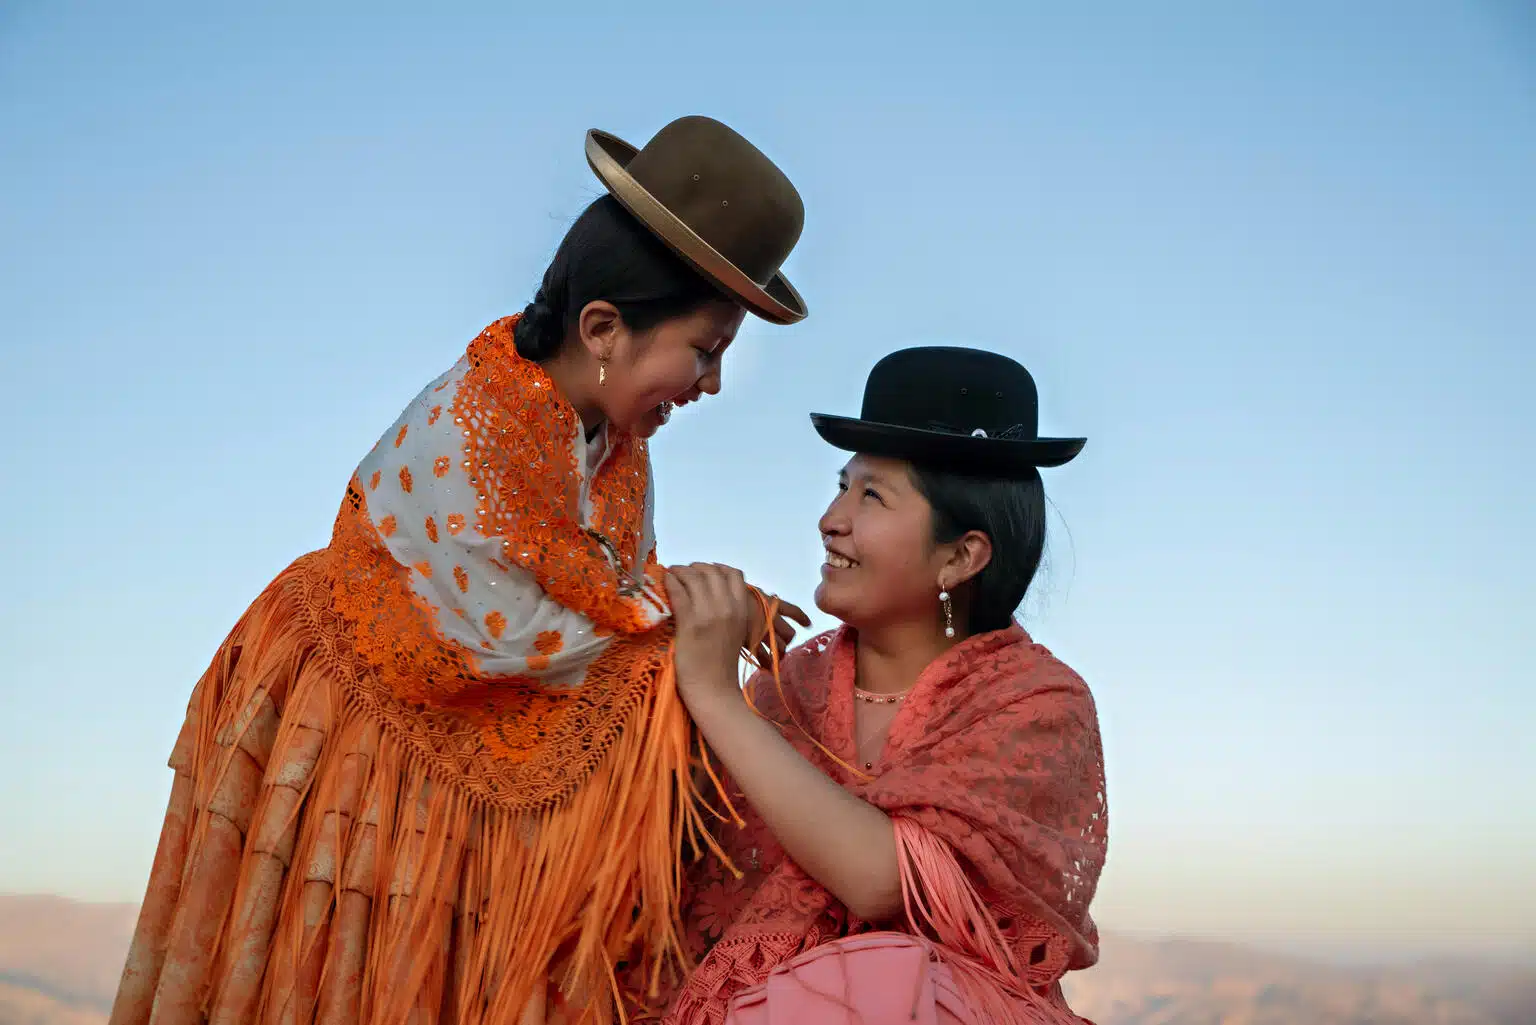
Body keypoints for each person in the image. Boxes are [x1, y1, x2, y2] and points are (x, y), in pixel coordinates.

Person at [109, 116, 811, 1025]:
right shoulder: (485, 429)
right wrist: (703, 617)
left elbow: (589, 590)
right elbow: (524, 628)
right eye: (706, 350)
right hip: (348, 746)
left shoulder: (608, 453)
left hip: (417, 777)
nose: (711, 384)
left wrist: (693, 612)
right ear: (604, 327)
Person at [660, 346, 1108, 1024]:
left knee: (883, 975)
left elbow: (880, 881)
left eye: (871, 495)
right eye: (843, 484)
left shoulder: (1037, 705)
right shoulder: (790, 689)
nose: (831, 517)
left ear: (961, 556)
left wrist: (718, 696)